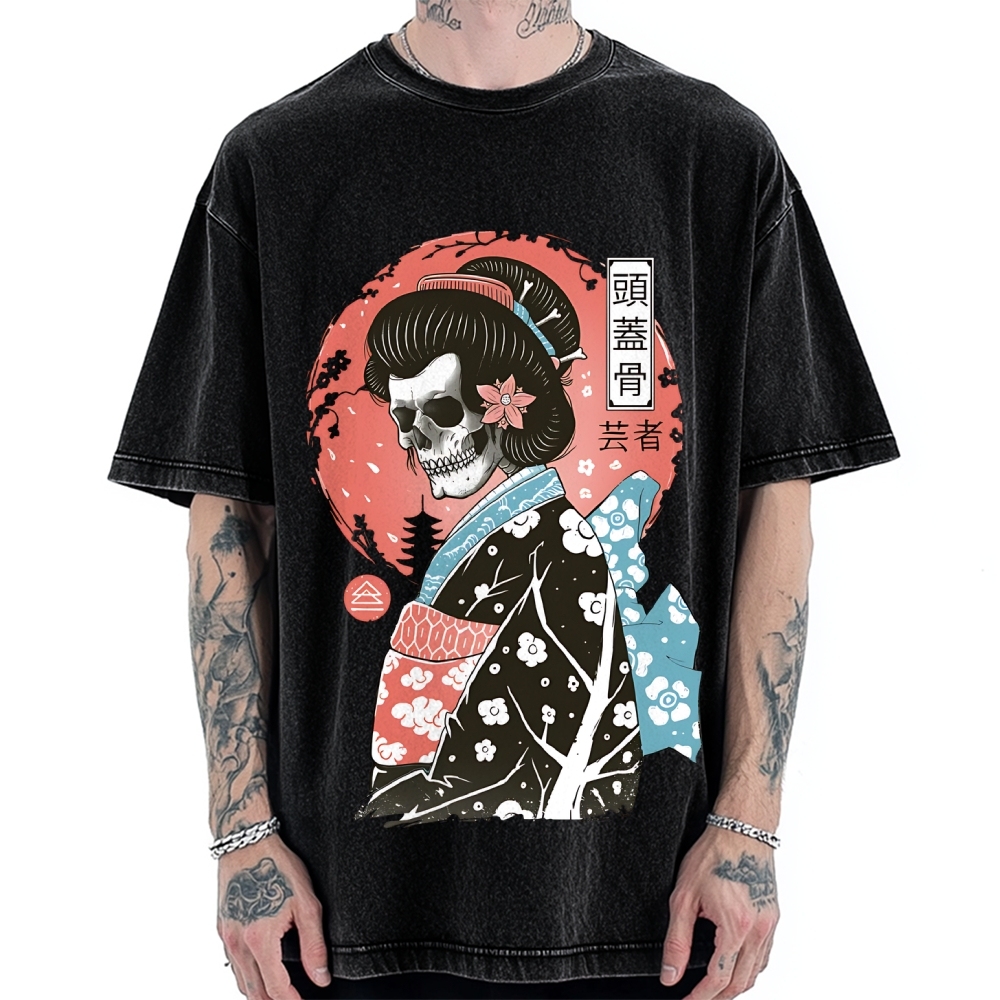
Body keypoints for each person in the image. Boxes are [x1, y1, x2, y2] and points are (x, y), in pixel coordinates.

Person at [108, 3, 899, 998]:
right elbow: (227, 531)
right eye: (400, 415)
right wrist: (244, 837)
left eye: (439, 408)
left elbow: (776, 502)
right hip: (336, 916)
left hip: (647, 912)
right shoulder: (277, 162)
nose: (414, 441)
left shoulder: (711, 154)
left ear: (505, 401)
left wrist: (748, 827)